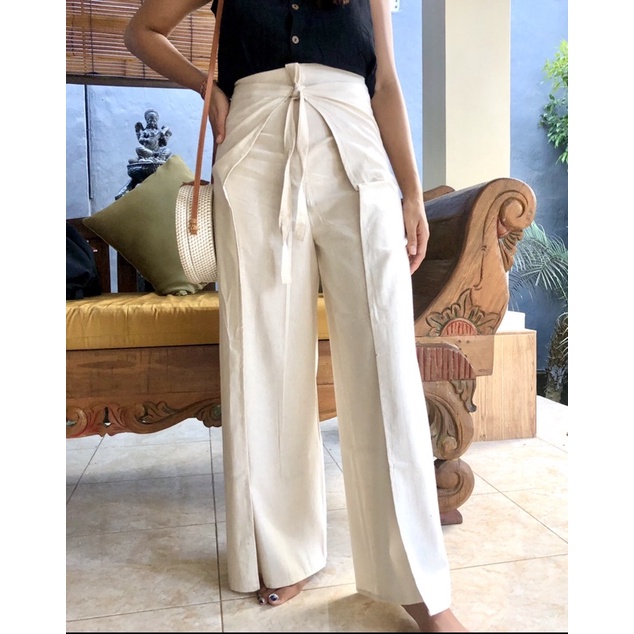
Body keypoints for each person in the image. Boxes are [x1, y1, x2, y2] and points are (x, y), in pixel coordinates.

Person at [124, 1, 468, 631]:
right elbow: (142, 30)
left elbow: (386, 84)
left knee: (385, 357)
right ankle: (284, 552)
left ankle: (419, 583)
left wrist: (412, 192)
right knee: (264, 355)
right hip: (255, 142)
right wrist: (206, 86)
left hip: (354, 143)